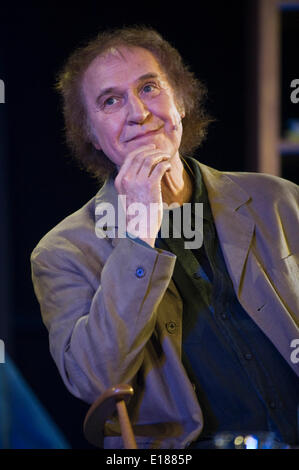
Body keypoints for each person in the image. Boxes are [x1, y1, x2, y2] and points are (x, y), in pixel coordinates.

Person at [30, 26, 299, 449]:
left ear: (182, 102)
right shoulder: (62, 252)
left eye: (150, 87)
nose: (137, 112)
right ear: (91, 135)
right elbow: (93, 379)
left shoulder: (278, 199)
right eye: (110, 101)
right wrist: (138, 236)